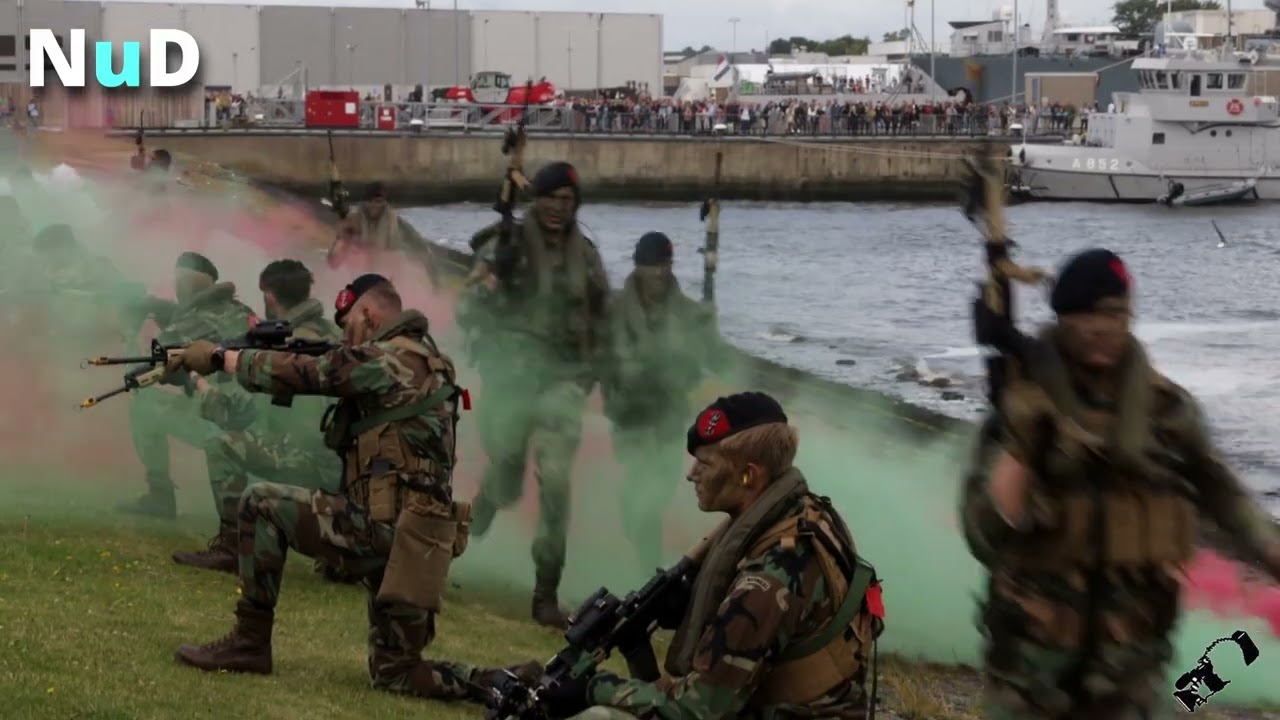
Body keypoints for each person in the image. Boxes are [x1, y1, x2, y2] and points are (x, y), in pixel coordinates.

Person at [164, 273, 535, 700]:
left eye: (348, 325)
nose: (345, 335)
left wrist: (220, 358)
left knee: (259, 503)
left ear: (369, 315)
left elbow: (312, 374)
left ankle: (249, 642)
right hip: (417, 544)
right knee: (396, 673)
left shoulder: (389, 359)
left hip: (381, 529)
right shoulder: (428, 361)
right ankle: (504, 682)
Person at [961, 248, 1280, 719]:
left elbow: (1223, 494)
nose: (1102, 327)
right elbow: (985, 533)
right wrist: (1024, 445)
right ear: (1064, 318)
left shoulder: (1166, 411)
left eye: (1115, 313)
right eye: (1088, 313)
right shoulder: (1026, 405)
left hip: (1130, 664)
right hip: (1034, 664)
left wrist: (1272, 551)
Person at [539, 392, 886, 720]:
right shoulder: (807, 515)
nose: (691, 474)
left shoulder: (769, 580)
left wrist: (592, 687)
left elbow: (696, 711)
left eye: (706, 463)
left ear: (750, 474)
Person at [457, 160, 611, 628]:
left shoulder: (584, 255)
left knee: (557, 483)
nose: (559, 210)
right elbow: (467, 308)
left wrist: (595, 371)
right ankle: (460, 543)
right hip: (510, 379)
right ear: (535, 200)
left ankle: (545, 592)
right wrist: (493, 287)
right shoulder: (504, 244)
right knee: (504, 477)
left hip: (561, 383)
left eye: (568, 202)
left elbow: (603, 315)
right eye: (551, 200)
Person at [170, 260, 347, 578]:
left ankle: (231, 548)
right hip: (346, 467)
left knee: (223, 447)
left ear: (269, 296)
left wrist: (198, 382)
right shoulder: (336, 334)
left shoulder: (286, 344)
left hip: (314, 462)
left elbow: (242, 413)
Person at [602, 231, 724, 571]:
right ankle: (648, 567)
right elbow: (597, 355)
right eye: (652, 266)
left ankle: (647, 569)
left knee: (655, 498)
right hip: (631, 417)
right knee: (640, 498)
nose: (659, 273)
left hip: (670, 418)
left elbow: (715, 358)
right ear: (638, 266)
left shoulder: (687, 312)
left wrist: (709, 326)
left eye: (665, 265)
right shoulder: (615, 310)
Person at [118, 252, 257, 519]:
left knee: (143, 406)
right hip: (253, 418)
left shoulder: (196, 319)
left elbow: (155, 364)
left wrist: (130, 331)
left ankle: (160, 496)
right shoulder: (243, 311)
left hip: (222, 418)